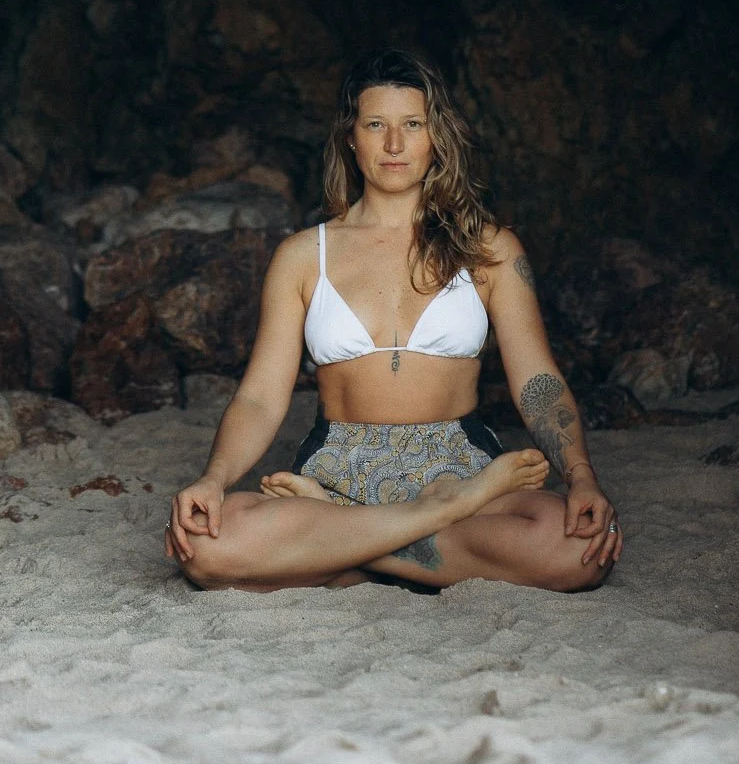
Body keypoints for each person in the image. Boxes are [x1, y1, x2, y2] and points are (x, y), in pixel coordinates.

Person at [165, 48, 622, 591]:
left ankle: (350, 549)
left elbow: (538, 382)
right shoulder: (303, 255)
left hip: (459, 461)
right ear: (350, 137)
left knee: (577, 551)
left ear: (437, 137)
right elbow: (261, 396)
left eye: (413, 125)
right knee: (205, 548)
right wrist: (214, 480)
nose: (395, 145)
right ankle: (435, 521)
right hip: (337, 467)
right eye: (376, 124)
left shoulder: (490, 249)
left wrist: (582, 477)